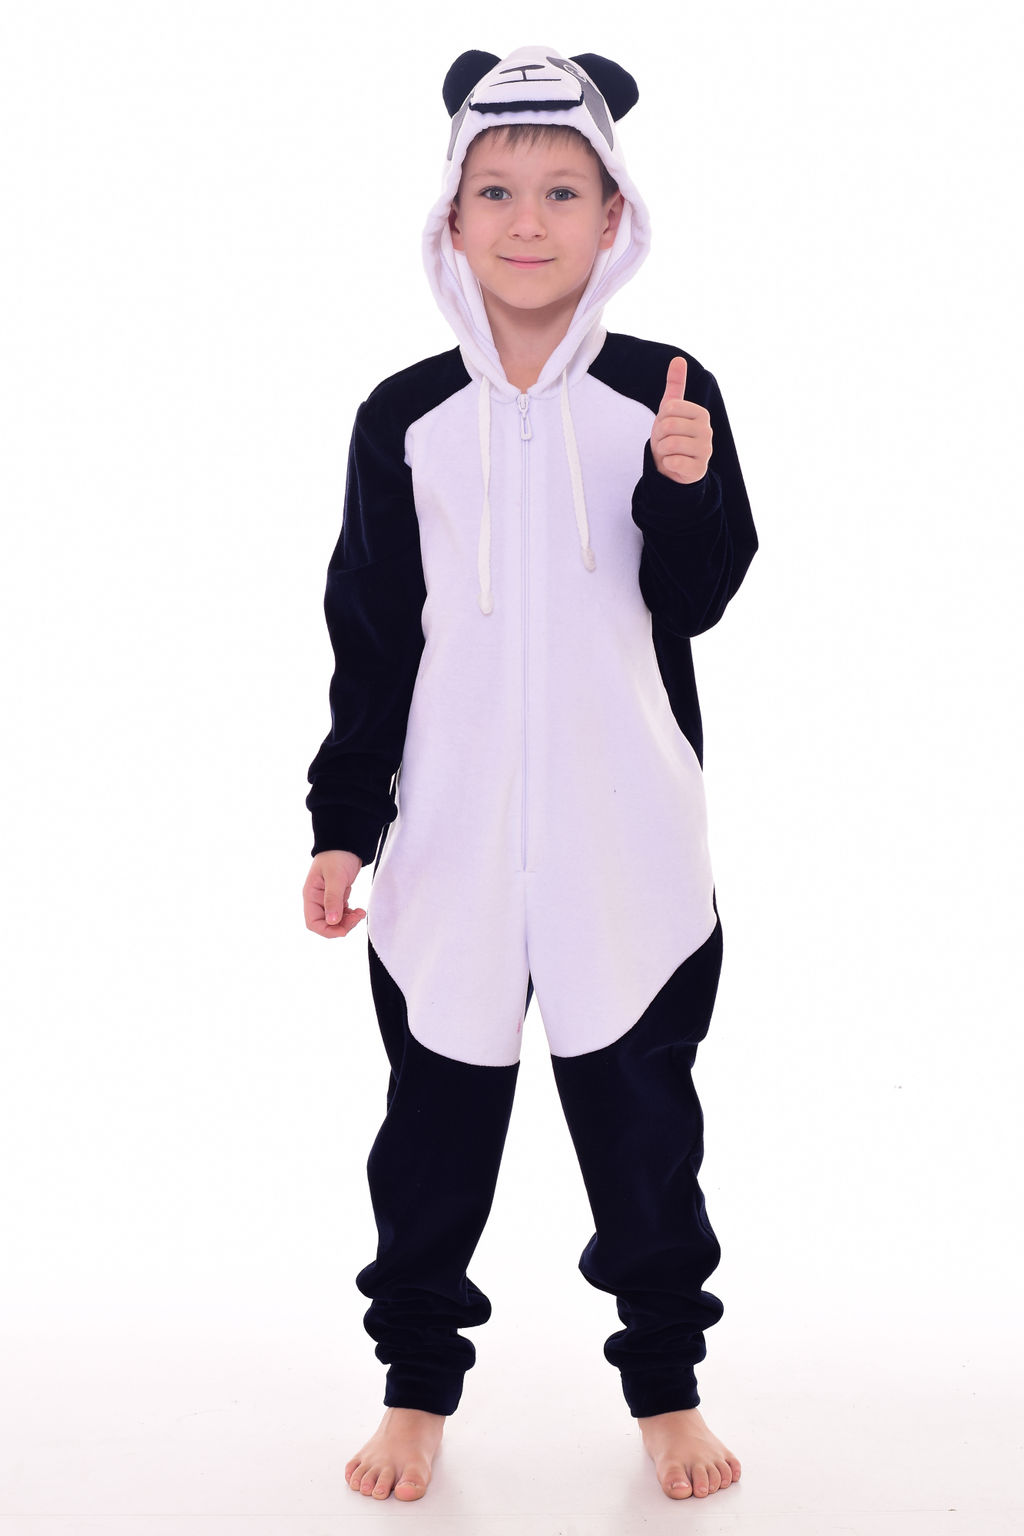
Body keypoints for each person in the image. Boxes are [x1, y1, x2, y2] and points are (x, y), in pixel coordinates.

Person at [302, 44, 758, 1503]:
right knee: (430, 1139)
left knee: (645, 1136)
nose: (527, 220)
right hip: (449, 841)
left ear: (615, 216)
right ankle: (415, 1391)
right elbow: (373, 637)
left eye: (564, 190)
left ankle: (668, 1388)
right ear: (450, 216)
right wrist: (343, 825)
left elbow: (695, 599)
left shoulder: (664, 394)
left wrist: (684, 484)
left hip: (626, 844)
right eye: (495, 190)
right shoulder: (403, 419)